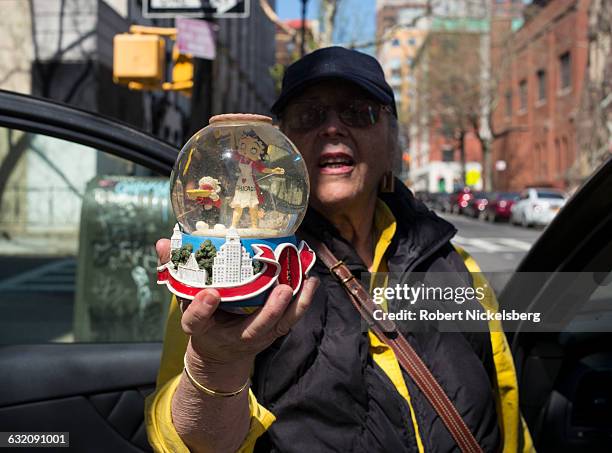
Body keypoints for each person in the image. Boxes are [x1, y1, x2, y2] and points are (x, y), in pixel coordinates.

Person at [146, 46, 534, 452]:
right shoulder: (240, 269)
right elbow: (187, 443)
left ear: (391, 142)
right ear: (283, 144)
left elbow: (506, 409)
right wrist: (217, 367)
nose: (332, 128)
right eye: (309, 116)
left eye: (358, 112)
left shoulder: (452, 262)